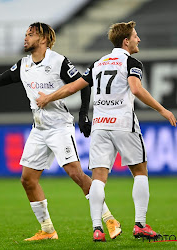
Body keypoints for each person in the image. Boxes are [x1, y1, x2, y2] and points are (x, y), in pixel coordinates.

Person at [0, 22, 121, 241]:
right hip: (39, 129)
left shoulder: (58, 61)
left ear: (44, 39)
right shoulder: (24, 64)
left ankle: (109, 219)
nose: (25, 38)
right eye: (26, 34)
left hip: (59, 127)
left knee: (76, 174)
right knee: (27, 180)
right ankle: (47, 230)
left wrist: (83, 115)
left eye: (31, 34)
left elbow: (83, 84)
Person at [35, 21, 177, 242]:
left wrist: (47, 97)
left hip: (100, 125)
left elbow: (72, 87)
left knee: (99, 178)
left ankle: (97, 228)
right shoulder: (131, 62)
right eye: (135, 36)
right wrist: (162, 110)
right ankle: (140, 224)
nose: (138, 39)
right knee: (140, 171)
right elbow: (136, 88)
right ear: (126, 41)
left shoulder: (99, 63)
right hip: (123, 123)